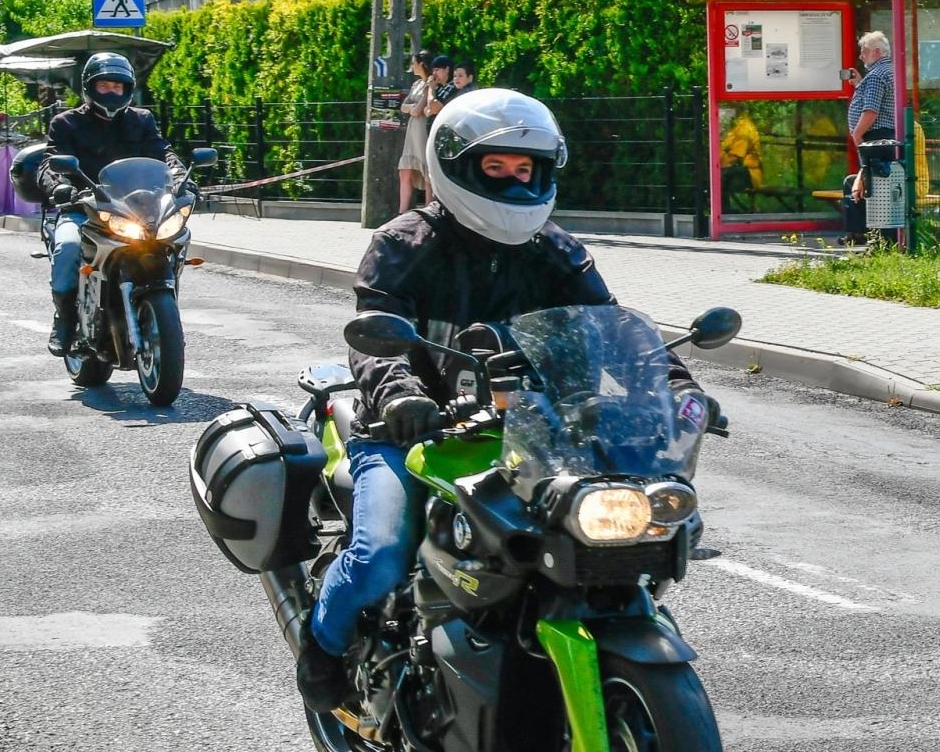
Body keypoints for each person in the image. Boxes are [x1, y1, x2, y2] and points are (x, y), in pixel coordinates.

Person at [295, 88, 714, 711]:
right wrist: (403, 395)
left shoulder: (556, 249)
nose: (514, 182)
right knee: (383, 554)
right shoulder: (404, 243)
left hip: (538, 434)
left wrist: (674, 384)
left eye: (526, 170)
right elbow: (375, 335)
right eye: (497, 168)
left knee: (628, 536)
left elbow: (613, 325)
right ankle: (322, 649)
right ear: (458, 165)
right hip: (413, 432)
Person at [36, 52, 184, 356]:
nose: (112, 92)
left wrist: (181, 175)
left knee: (179, 236)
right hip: (84, 209)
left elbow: (162, 152)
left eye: (118, 86)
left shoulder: (141, 120)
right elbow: (50, 163)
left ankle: (163, 310)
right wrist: (60, 187)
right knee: (66, 247)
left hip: (135, 210)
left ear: (127, 89)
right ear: (89, 87)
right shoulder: (66, 123)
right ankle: (64, 318)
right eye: (105, 85)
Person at [841, 31, 896, 246]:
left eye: (864, 51)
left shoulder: (876, 76)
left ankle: (876, 238)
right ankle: (861, 234)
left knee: (873, 186)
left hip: (875, 138)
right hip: (885, 137)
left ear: (876, 52)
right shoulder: (888, 72)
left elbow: (871, 111)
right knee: (864, 182)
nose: (861, 56)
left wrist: (857, 133)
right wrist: (859, 84)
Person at [397, 50, 434, 213]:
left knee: (426, 170)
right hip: (412, 130)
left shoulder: (431, 84)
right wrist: (411, 108)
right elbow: (404, 107)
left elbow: (417, 110)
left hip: (423, 129)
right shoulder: (416, 84)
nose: (412, 66)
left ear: (422, 64)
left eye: (414, 63)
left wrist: (411, 108)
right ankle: (402, 212)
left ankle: (429, 209)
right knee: (405, 170)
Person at [718, 105, 764, 205]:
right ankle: (724, 210)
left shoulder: (745, 129)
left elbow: (734, 157)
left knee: (719, 176)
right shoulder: (735, 129)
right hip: (739, 171)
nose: (722, 114)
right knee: (718, 175)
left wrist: (716, 165)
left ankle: (724, 211)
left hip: (750, 174)